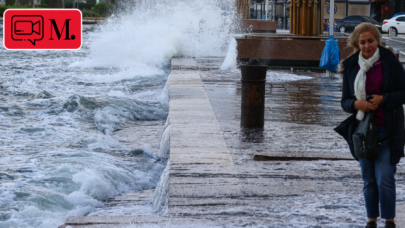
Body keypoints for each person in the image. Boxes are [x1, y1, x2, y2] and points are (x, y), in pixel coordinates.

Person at [339, 23, 405, 228]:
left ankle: (389, 221)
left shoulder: (390, 63)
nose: (367, 46)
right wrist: (356, 104)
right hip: (362, 132)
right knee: (368, 179)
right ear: (356, 44)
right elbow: (345, 102)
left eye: (370, 41)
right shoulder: (351, 66)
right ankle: (371, 221)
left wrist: (383, 99)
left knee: (385, 177)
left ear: (377, 40)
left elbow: (403, 92)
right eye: (362, 42)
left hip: (387, 130)